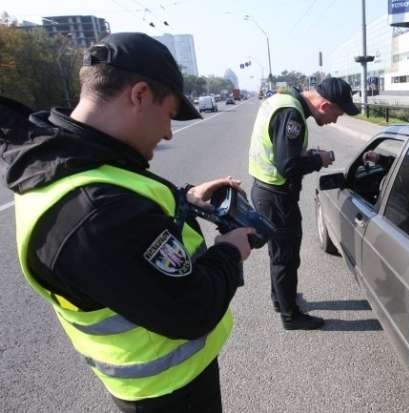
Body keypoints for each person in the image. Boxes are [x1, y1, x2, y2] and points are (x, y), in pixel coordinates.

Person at [0, 32, 255, 412]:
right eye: (168, 115)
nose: (169, 132)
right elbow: (191, 309)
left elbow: (129, 208)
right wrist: (230, 252)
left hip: (167, 381)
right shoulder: (93, 212)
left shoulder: (70, 158)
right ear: (138, 95)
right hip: (166, 393)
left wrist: (186, 200)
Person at [248, 78, 360, 330]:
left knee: (278, 253)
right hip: (276, 195)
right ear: (324, 105)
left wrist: (307, 155)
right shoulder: (292, 114)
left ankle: (280, 299)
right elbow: (287, 166)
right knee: (285, 257)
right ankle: (290, 316)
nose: (336, 120)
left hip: (267, 190)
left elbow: (283, 153)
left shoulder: (285, 100)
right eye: (337, 113)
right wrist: (318, 160)